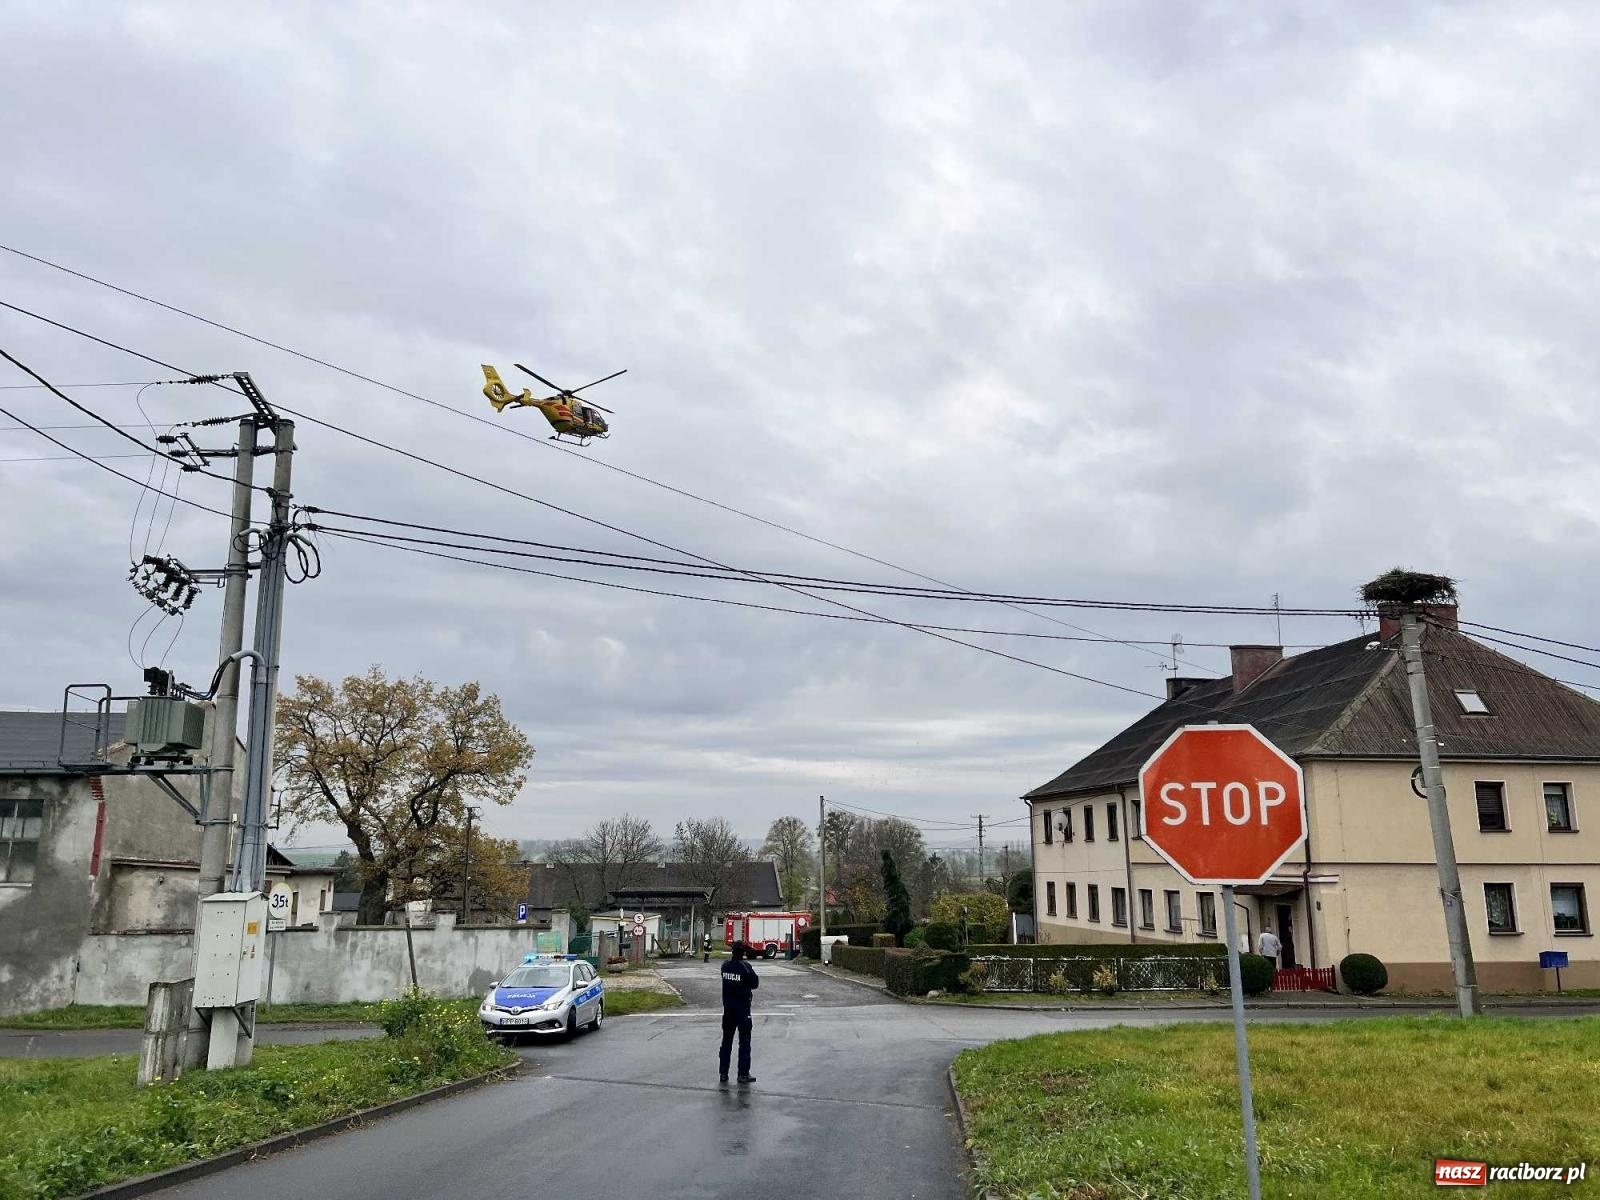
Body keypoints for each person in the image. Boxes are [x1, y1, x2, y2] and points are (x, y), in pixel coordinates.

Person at [719, 940, 760, 1084]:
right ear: (743, 953)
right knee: (744, 1042)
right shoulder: (745, 967)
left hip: (728, 1010)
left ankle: (723, 1073)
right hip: (742, 1009)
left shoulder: (725, 966)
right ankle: (743, 1073)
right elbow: (755, 983)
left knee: (726, 1042)